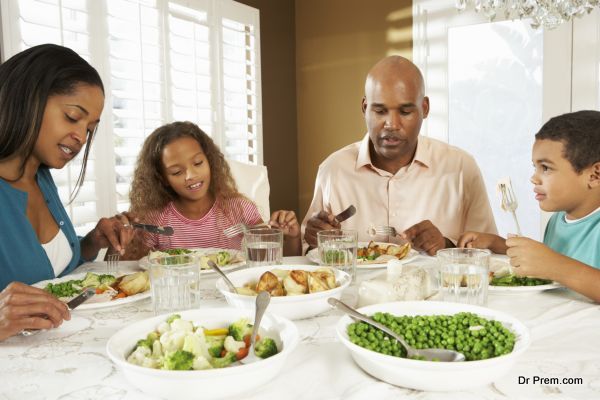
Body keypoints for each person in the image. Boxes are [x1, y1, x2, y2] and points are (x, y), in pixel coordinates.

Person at [0, 44, 135, 340]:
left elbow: (52, 272)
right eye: (73, 116)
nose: (80, 137)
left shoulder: (41, 178)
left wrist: (90, 243)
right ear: (28, 99)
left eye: (89, 128)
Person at [303, 56, 497, 255]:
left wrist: (446, 245)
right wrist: (316, 238)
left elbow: (489, 256)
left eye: (405, 112)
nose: (392, 124)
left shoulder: (461, 169)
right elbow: (307, 255)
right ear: (364, 108)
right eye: (380, 111)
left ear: (425, 108)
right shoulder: (333, 170)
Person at [459, 110, 600, 302]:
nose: (534, 178)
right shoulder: (558, 220)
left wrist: (555, 265)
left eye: (546, 168)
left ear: (594, 175)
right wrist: (500, 245)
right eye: (535, 167)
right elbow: (551, 262)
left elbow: (559, 265)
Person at [124, 121, 301, 259]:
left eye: (198, 163)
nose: (190, 175)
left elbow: (272, 262)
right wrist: (124, 238)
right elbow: (133, 270)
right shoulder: (156, 220)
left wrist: (291, 237)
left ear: (210, 160)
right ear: (163, 179)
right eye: (177, 172)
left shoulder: (240, 209)